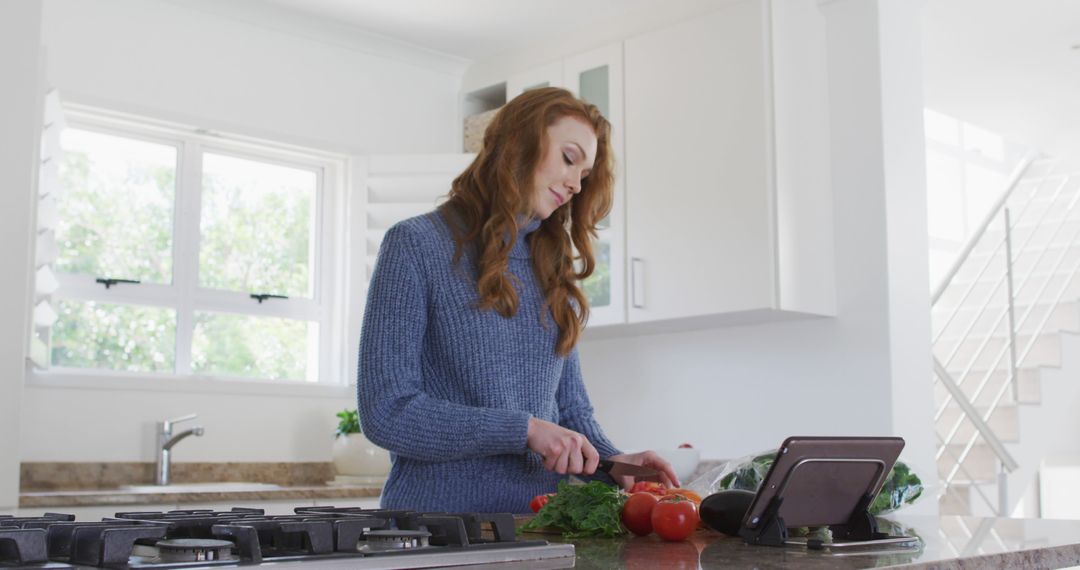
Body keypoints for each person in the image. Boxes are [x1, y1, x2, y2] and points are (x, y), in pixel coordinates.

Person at [357, 86, 678, 514]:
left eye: (584, 175)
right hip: (437, 528)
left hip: (543, 525)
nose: (574, 183)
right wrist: (521, 430)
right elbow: (387, 412)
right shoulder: (415, 245)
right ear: (519, 144)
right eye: (568, 159)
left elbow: (570, 411)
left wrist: (616, 464)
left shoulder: (550, 268)